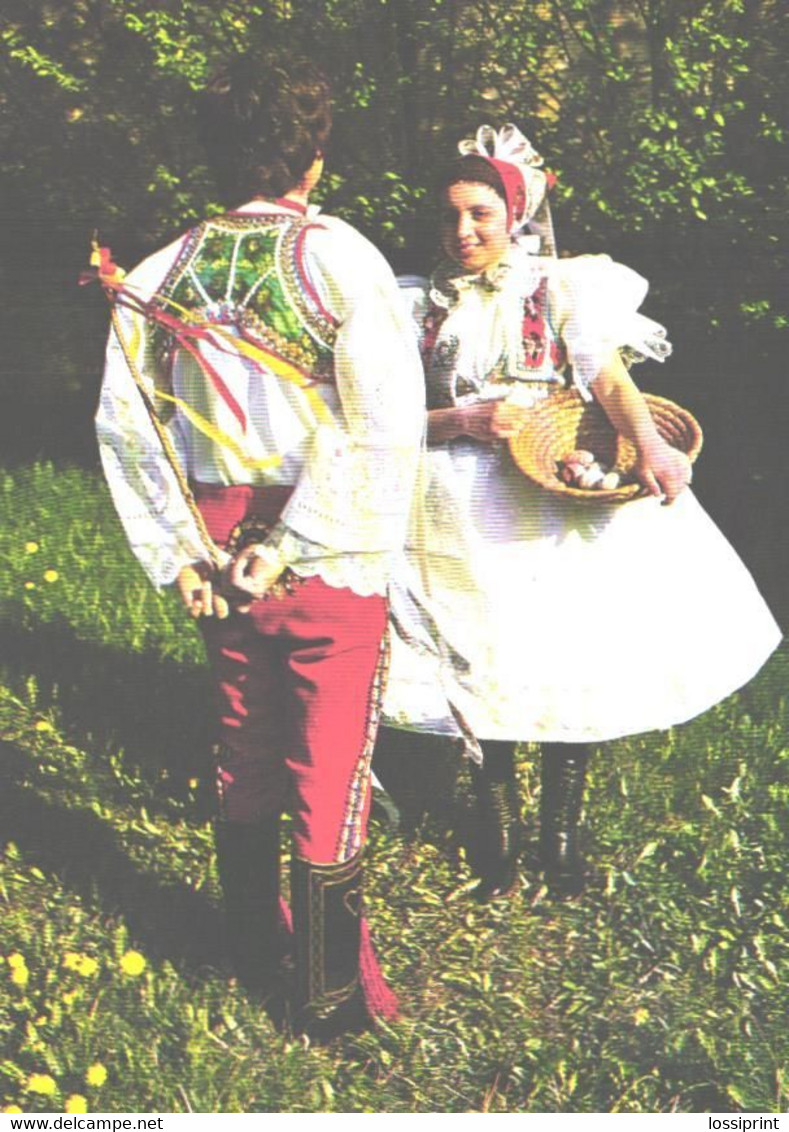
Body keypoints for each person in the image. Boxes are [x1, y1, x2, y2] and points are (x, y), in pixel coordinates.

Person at [94, 54, 424, 1034]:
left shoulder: (160, 274)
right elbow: (382, 422)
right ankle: (328, 993)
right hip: (319, 551)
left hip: (218, 541)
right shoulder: (343, 260)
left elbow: (128, 424)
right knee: (329, 762)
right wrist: (297, 542)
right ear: (315, 158)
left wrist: (181, 553)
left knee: (245, 740)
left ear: (213, 154)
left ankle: (244, 939)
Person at [380, 124, 781, 900]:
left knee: (568, 652)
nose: (462, 233)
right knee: (481, 656)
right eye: (449, 217)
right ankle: (495, 830)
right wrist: (458, 422)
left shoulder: (558, 288)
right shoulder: (415, 305)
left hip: (552, 500)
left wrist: (649, 449)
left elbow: (606, 380)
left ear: (514, 217)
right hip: (459, 505)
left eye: (480, 216)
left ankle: (557, 839)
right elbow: (380, 415)